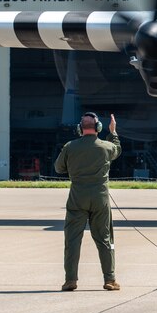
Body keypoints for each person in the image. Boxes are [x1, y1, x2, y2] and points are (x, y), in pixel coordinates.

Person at [54, 112, 122, 291]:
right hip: (100, 199)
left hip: (77, 198)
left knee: (72, 240)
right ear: (98, 128)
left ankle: (70, 280)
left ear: (80, 128)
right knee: (105, 239)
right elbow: (117, 150)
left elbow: (58, 168)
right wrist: (113, 132)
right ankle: (110, 279)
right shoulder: (106, 147)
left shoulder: (70, 147)